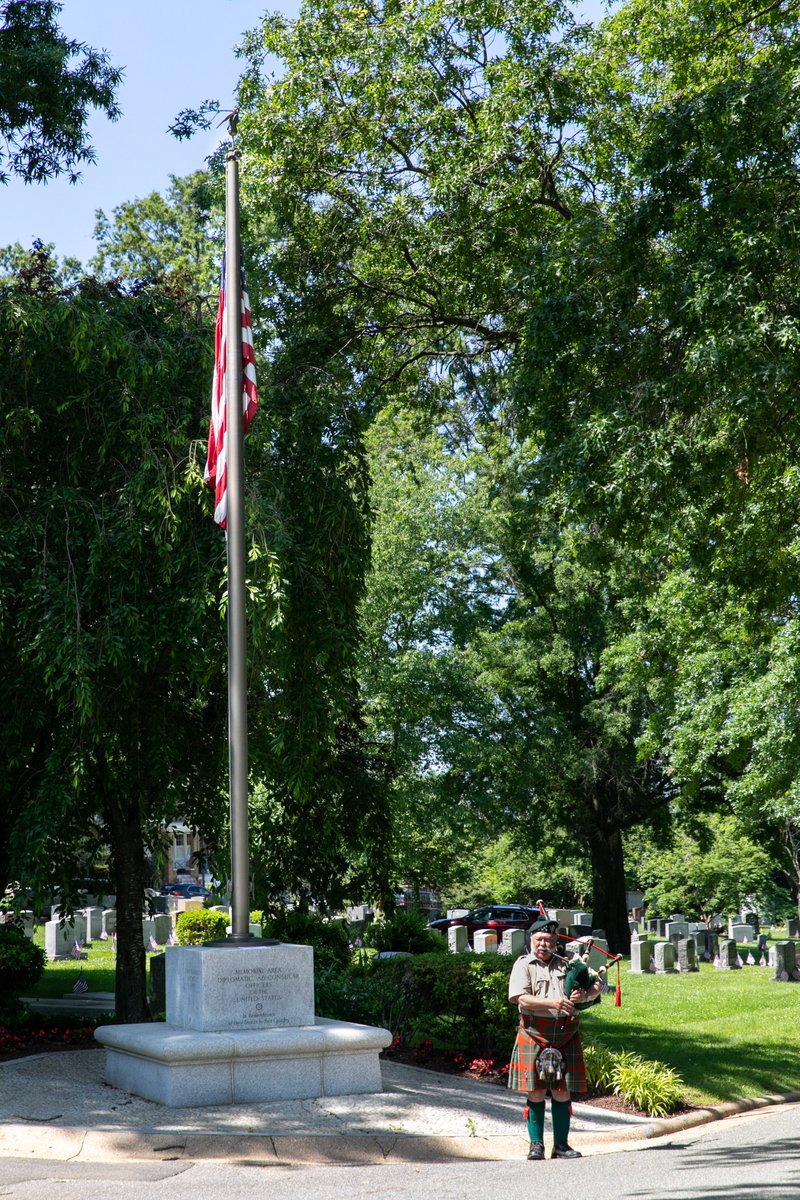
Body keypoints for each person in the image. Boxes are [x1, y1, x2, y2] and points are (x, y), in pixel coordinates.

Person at [508, 916, 602, 1161]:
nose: (543, 944)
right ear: (531, 939)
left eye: (548, 940)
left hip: (565, 1034)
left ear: (556, 941)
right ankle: (536, 1145)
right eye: (538, 939)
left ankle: (561, 1145)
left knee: (563, 1091)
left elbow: (597, 984)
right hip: (533, 1033)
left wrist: (586, 996)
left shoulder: (571, 963)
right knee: (536, 1091)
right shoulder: (523, 964)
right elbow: (521, 998)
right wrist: (553, 1003)